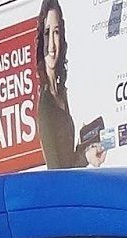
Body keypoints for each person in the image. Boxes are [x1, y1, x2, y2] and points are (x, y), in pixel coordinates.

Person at [35, 0, 106, 169]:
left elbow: (68, 161)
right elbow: (57, 175)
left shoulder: (60, 92)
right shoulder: (45, 106)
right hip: (64, 193)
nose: (52, 45)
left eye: (56, 32)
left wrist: (86, 150)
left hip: (72, 186)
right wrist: (84, 157)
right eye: (47, 33)